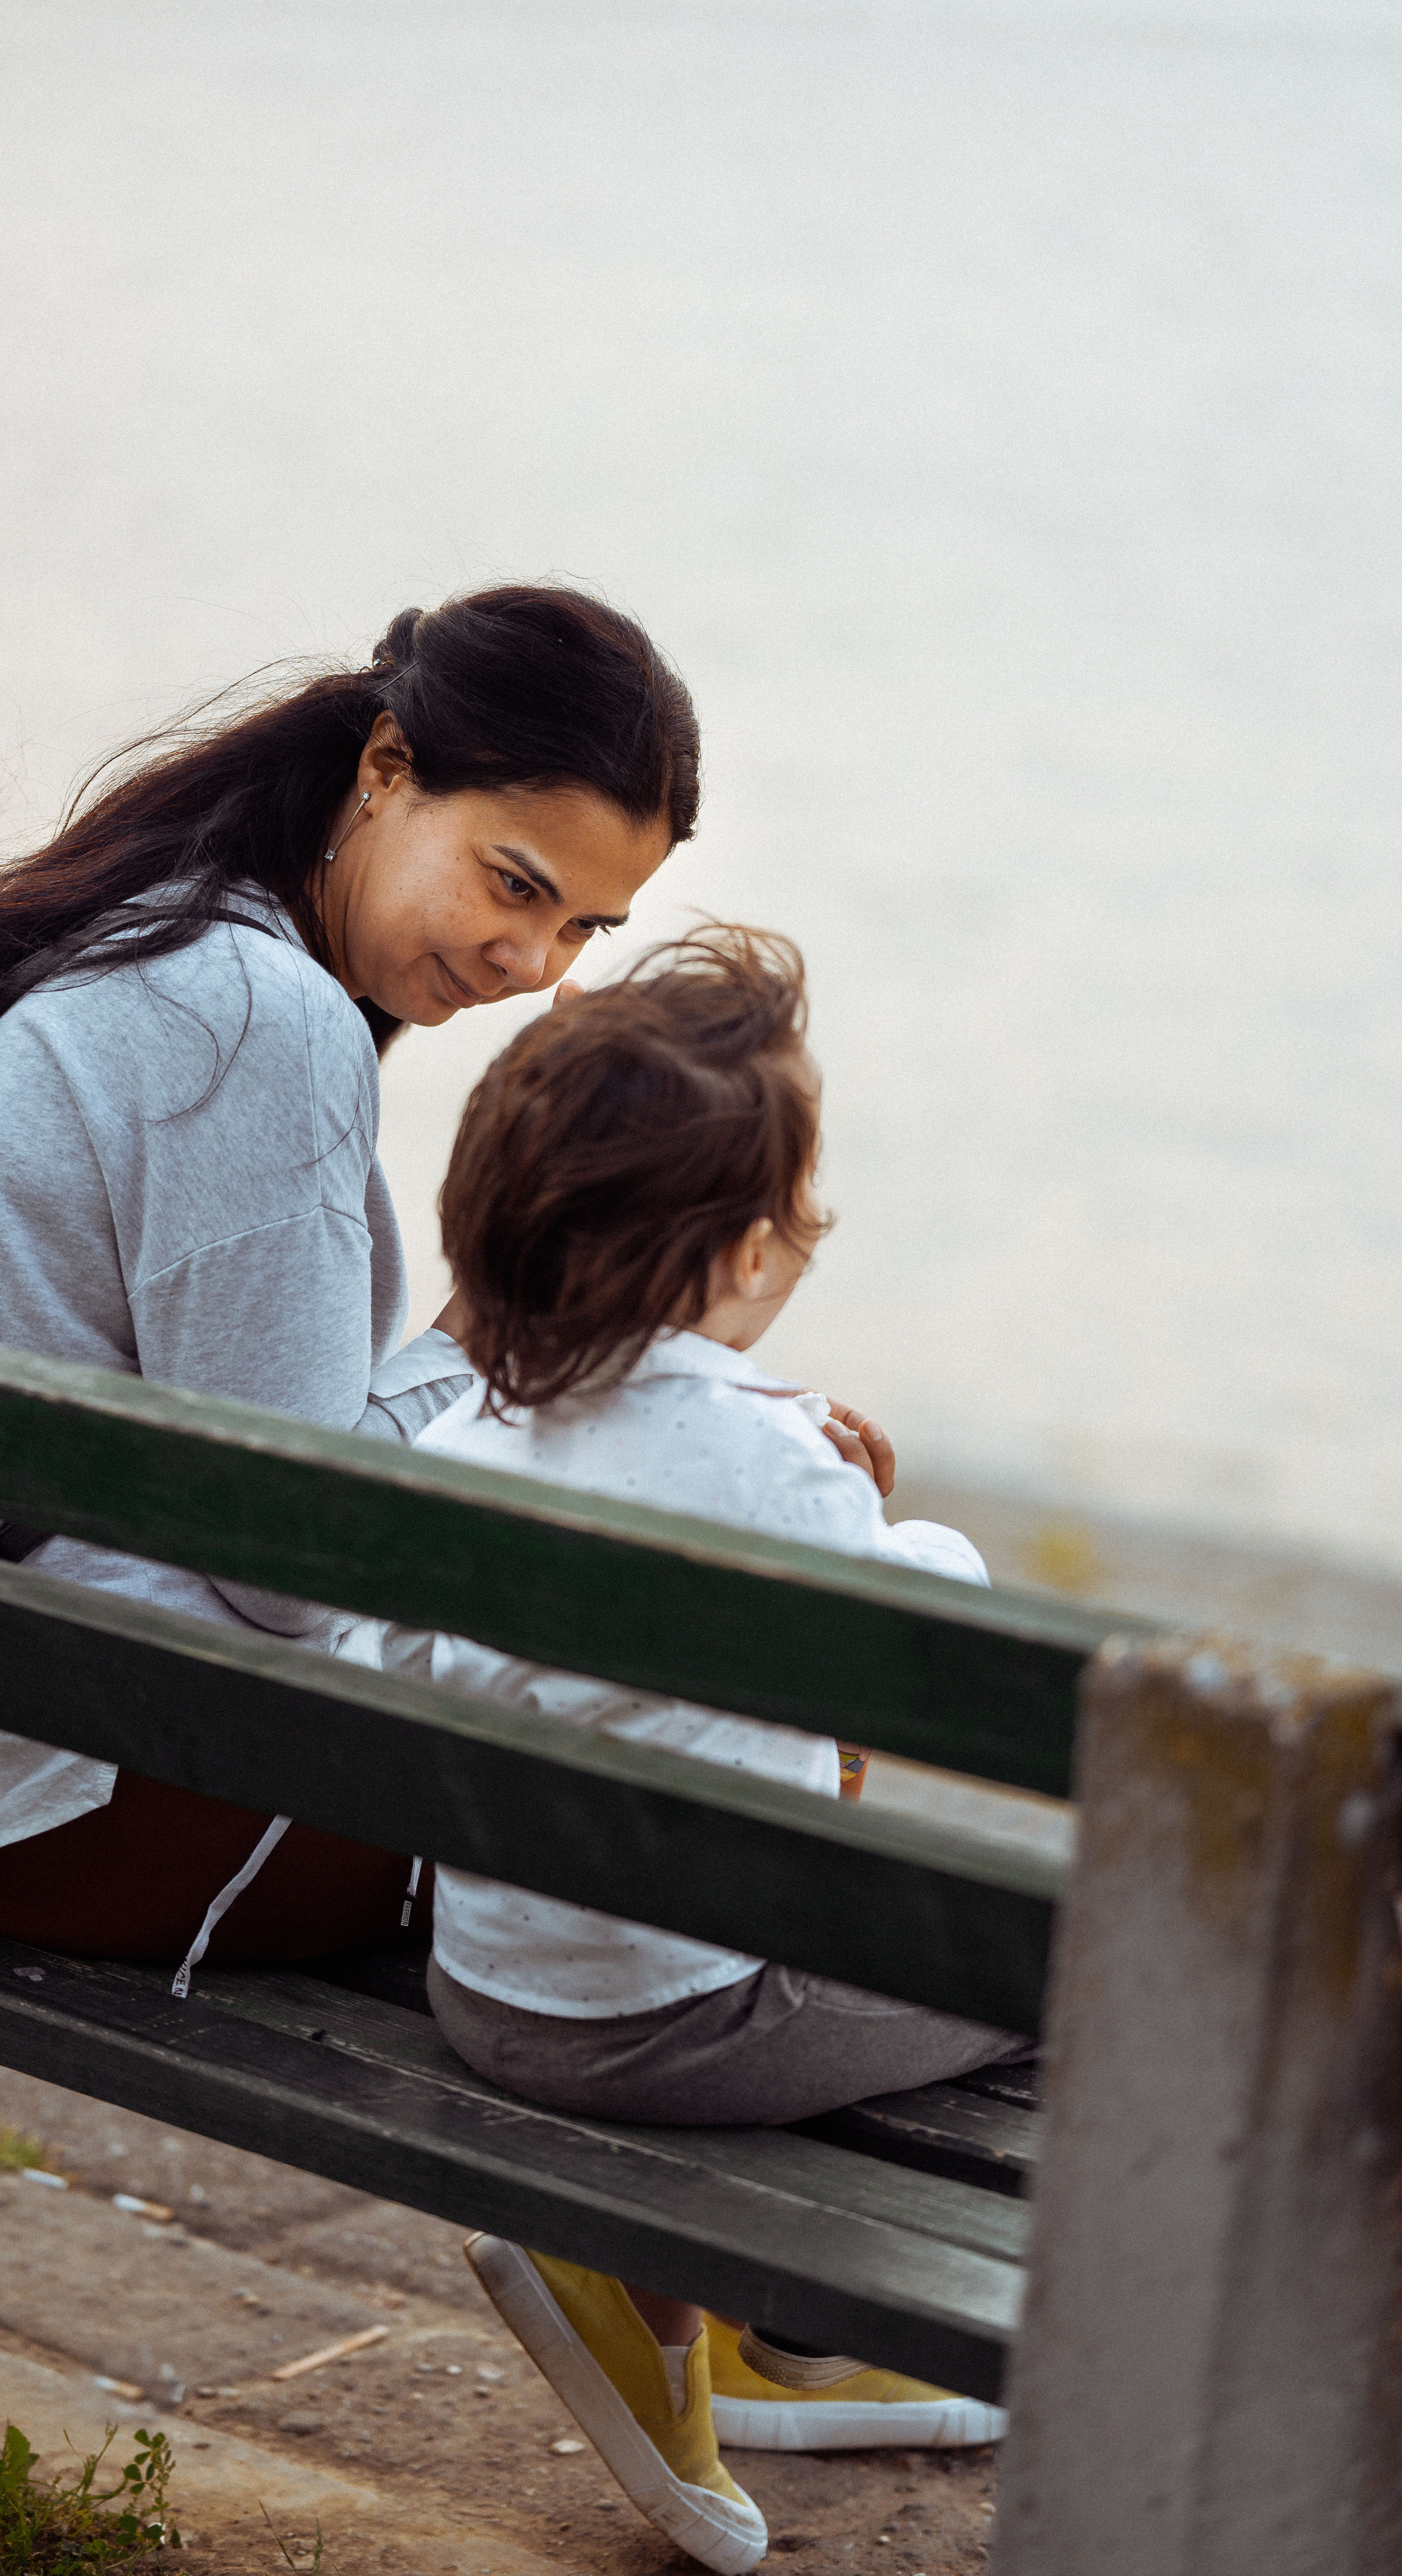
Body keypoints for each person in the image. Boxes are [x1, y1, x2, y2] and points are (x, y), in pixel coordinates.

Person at [0, 585, 698, 1965]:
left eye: (583, 932)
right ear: (384, 769)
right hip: (110, 1798)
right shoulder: (258, 1018)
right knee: (751, 1828)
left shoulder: (153, 921)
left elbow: (247, 1459)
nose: (528, 961)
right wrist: (498, 1333)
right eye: (513, 882)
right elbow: (294, 1569)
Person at [340, 929, 1026, 2575]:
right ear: (729, 1255)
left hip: (491, 1988)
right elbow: (942, 1644)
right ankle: (794, 2317)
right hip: (686, 2023)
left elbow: (389, 1665)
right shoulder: (767, 1468)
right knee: (1076, 1974)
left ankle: (766, 2348)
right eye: (796, 1206)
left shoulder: (455, 1441)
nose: (810, 1232)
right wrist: (873, 1511)